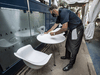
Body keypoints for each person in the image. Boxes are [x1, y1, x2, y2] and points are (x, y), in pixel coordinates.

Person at [44, 5, 84, 71]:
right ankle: (67, 56)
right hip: (72, 28)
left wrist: (54, 33)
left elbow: (64, 28)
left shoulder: (63, 12)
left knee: (74, 46)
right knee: (68, 43)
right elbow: (55, 25)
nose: (52, 15)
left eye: (52, 13)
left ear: (55, 10)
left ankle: (71, 64)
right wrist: (47, 32)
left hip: (77, 29)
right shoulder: (59, 15)